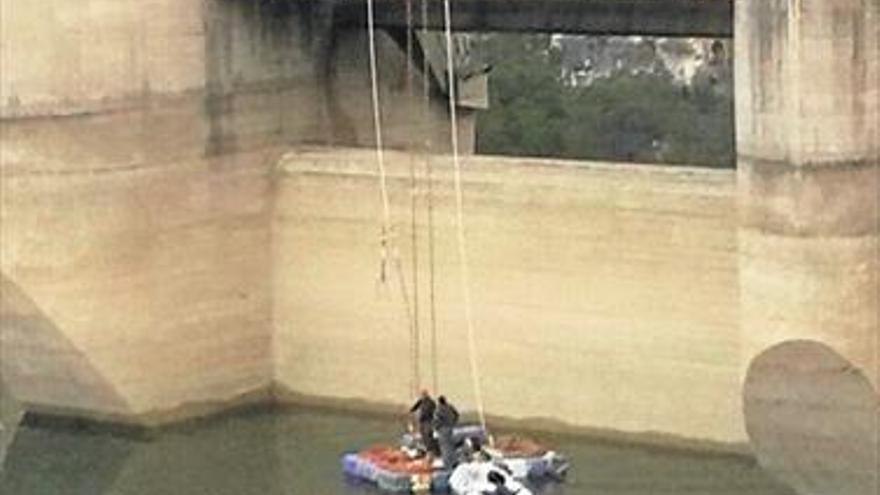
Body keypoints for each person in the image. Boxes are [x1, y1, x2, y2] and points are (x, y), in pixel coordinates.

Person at [409, 390, 439, 456]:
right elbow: (415, 407)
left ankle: (431, 451)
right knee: (422, 434)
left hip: (428, 421)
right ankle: (425, 449)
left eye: (423, 395)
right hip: (422, 421)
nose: (422, 397)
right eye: (421, 395)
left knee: (428, 435)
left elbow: (429, 411)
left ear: (426, 395)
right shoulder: (421, 401)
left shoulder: (431, 402)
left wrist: (422, 415)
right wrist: (412, 410)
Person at [433, 395, 460, 467]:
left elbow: (436, 421)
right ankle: (454, 462)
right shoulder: (450, 407)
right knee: (451, 446)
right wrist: (454, 422)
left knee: (444, 447)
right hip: (451, 429)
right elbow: (457, 414)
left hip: (442, 430)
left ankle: (447, 464)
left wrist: (435, 429)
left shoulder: (438, 409)